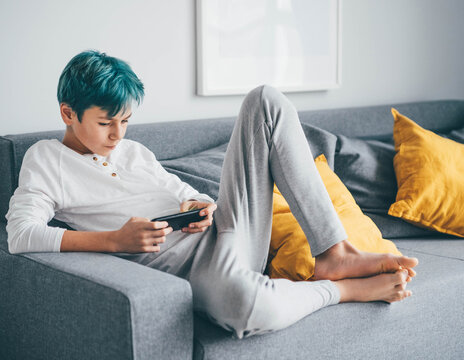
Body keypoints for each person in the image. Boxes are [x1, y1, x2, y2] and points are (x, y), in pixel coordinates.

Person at [6, 50, 418, 339]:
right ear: (67, 114)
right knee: (246, 309)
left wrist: (198, 204)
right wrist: (113, 241)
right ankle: (340, 289)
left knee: (265, 99)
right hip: (196, 271)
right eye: (105, 122)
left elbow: (180, 189)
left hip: (231, 231)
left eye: (126, 121)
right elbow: (21, 235)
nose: (118, 135)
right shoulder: (45, 159)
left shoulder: (134, 152)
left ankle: (332, 251)